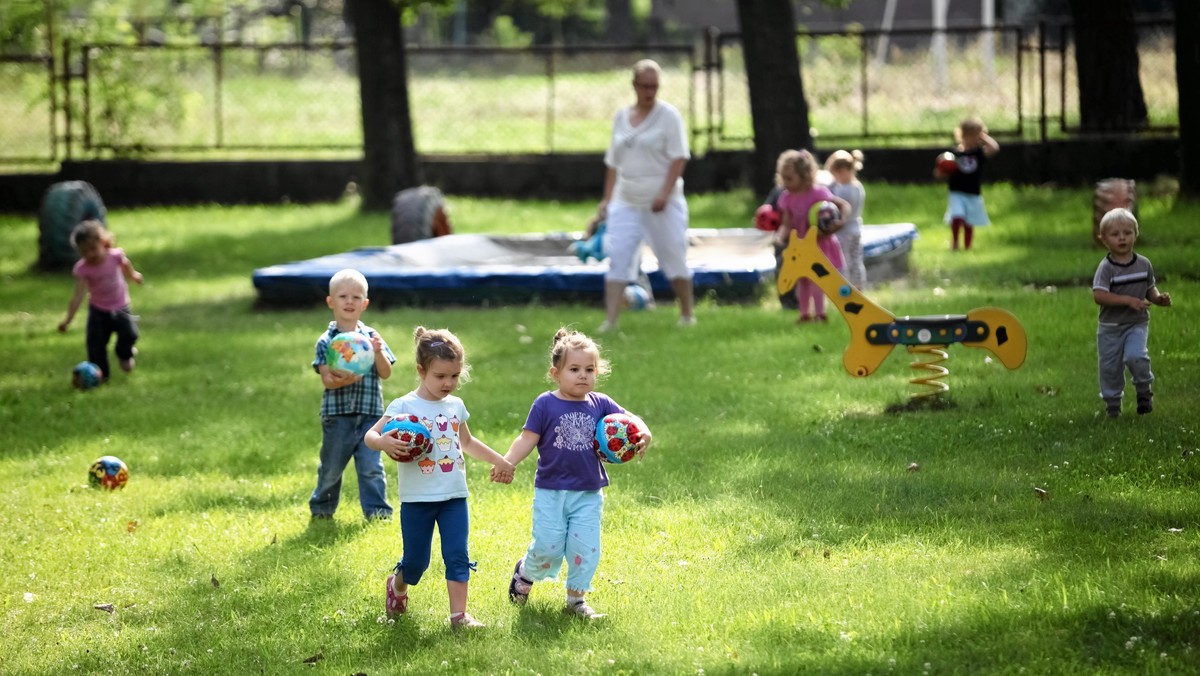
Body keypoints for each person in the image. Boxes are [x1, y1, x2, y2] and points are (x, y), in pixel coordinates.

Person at [365, 327, 514, 629]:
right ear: (421, 371)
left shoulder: (455, 406)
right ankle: (398, 585)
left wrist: (501, 459)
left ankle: (459, 616)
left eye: (455, 376)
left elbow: (468, 443)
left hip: (454, 497)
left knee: (458, 555)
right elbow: (371, 435)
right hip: (418, 499)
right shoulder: (404, 407)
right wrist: (382, 443)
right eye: (441, 376)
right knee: (417, 563)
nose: (449, 383)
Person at [503, 328, 651, 620]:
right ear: (556, 373)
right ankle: (525, 572)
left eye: (589, 369)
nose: (583, 376)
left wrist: (643, 430)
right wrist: (507, 462)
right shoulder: (545, 403)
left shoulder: (601, 403)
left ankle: (576, 600)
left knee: (586, 548)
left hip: (588, 491)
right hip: (551, 490)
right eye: (574, 369)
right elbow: (527, 439)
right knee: (549, 545)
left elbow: (632, 418)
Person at [597, 58, 693, 332]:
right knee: (619, 255)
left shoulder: (669, 116)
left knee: (673, 251)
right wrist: (607, 199)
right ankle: (611, 320)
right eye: (644, 86)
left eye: (654, 86)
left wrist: (663, 193)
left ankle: (687, 314)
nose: (649, 91)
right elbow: (613, 163)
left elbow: (679, 158)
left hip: (663, 201)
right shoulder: (621, 117)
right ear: (634, 85)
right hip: (626, 199)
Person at [308, 268, 395, 521]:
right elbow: (326, 379)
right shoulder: (327, 341)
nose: (349, 301)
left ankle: (378, 513)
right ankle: (322, 510)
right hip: (338, 417)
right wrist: (344, 379)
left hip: (371, 416)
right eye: (343, 296)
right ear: (330, 302)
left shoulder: (372, 337)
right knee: (332, 468)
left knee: (371, 468)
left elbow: (386, 372)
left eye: (356, 297)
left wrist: (378, 352)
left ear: (365, 303)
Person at [1091, 208, 1172, 418]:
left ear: (1136, 234)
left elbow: (1149, 288)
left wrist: (1157, 298)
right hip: (1110, 329)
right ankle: (1113, 407)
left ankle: (1144, 393)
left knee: (1137, 357)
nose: (1122, 238)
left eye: (1127, 232)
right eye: (1115, 234)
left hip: (1136, 323)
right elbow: (1099, 295)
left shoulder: (1144, 264)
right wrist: (1127, 301)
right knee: (1110, 369)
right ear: (1104, 239)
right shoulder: (1106, 268)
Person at [58, 220, 143, 382]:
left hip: (121, 306)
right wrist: (68, 320)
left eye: (92, 249)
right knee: (95, 346)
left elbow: (125, 266)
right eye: (84, 252)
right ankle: (101, 376)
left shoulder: (115, 256)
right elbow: (78, 295)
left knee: (130, 334)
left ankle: (125, 354)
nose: (90, 255)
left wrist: (133, 276)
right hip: (98, 311)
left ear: (103, 242)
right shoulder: (83, 269)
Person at [772, 149, 851, 323]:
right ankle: (804, 313)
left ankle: (820, 313)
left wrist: (841, 221)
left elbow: (843, 205)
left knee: (817, 280)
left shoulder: (819, 193)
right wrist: (779, 238)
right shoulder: (787, 197)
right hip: (800, 247)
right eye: (783, 177)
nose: (785, 182)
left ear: (804, 175)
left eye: (790, 178)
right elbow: (786, 223)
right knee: (803, 281)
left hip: (819, 246)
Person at [936, 117, 1000, 251]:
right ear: (964, 135)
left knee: (969, 221)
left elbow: (994, 148)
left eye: (979, 135)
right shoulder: (954, 154)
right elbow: (939, 173)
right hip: (956, 192)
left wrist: (983, 136)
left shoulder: (979, 153)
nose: (976, 139)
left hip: (973, 192)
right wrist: (942, 170)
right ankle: (954, 243)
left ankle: (967, 246)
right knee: (957, 216)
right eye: (973, 135)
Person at [824, 149, 868, 290]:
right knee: (856, 260)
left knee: (843, 261)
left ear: (842, 171)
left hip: (844, 231)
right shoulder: (858, 187)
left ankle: (845, 287)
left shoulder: (843, 190)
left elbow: (832, 198)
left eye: (834, 174)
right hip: (856, 229)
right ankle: (859, 286)